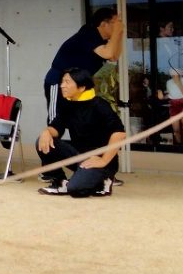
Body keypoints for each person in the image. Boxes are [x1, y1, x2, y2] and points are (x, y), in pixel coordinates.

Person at [35, 68, 125, 197]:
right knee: (43, 141)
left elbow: (119, 134)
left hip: (99, 158)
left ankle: (104, 179)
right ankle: (60, 182)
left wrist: (104, 160)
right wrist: (46, 132)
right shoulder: (67, 105)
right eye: (62, 82)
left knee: (75, 189)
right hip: (79, 155)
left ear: (82, 87)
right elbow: (56, 128)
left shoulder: (99, 105)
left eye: (67, 82)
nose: (62, 85)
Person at [43, 8, 123, 120]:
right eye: (115, 23)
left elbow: (114, 56)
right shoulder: (88, 34)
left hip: (77, 85)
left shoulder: (101, 41)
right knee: (56, 119)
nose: (118, 26)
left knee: (78, 120)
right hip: (60, 82)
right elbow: (108, 53)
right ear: (104, 24)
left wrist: (119, 35)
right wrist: (117, 32)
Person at [165, 67, 183, 145]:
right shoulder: (169, 82)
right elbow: (169, 94)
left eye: (176, 74)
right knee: (176, 129)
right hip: (173, 105)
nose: (174, 76)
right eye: (173, 75)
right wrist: (162, 96)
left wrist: (178, 83)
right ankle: (179, 146)